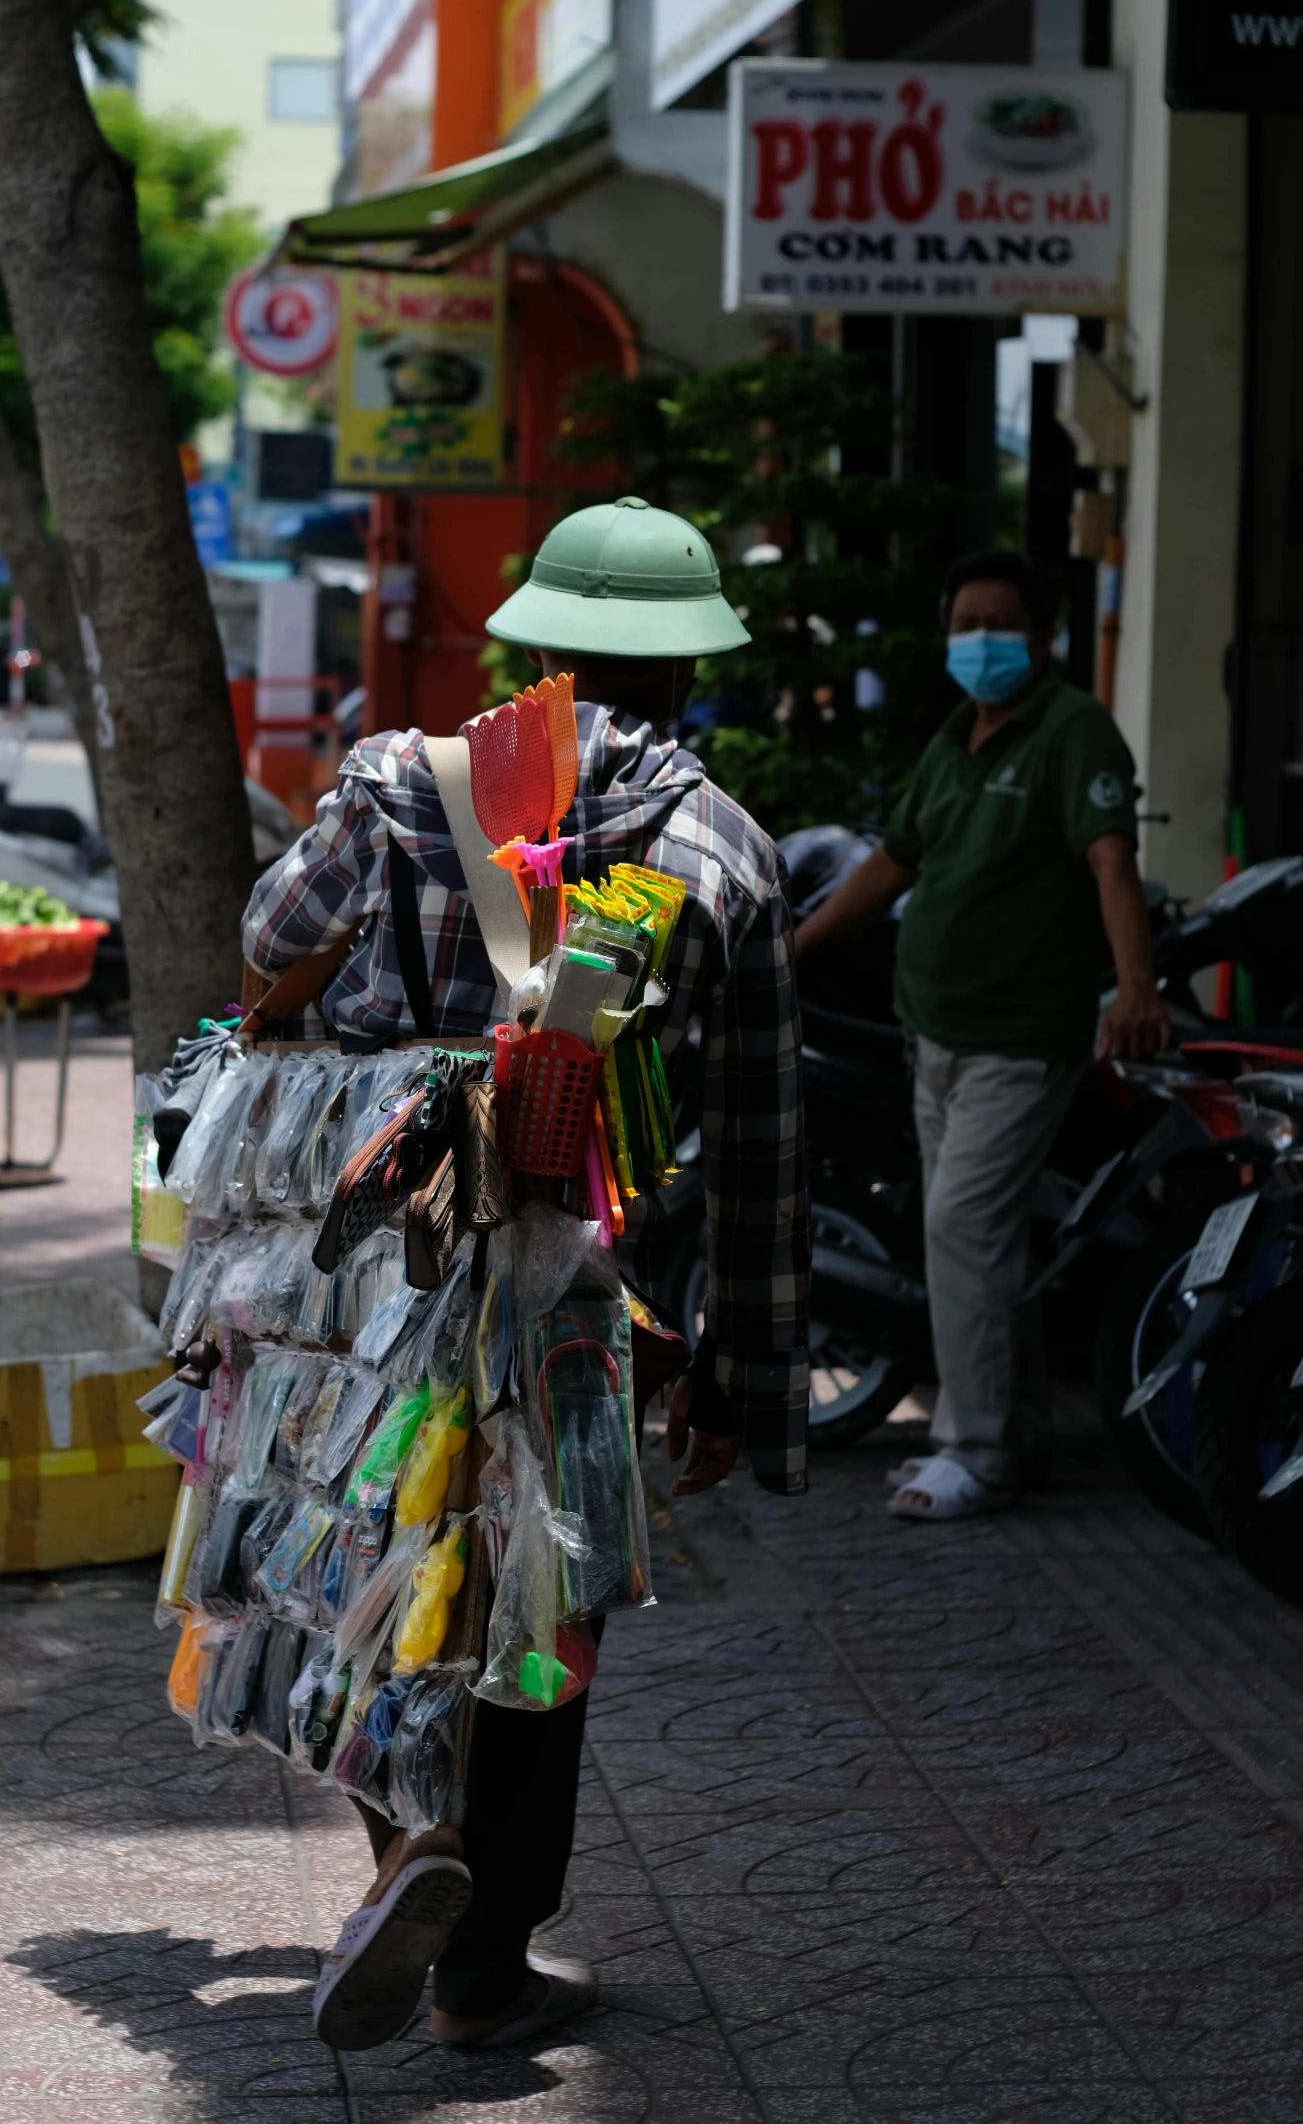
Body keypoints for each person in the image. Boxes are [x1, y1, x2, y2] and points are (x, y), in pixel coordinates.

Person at [241, 495, 808, 2053]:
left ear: (533, 641)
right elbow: (762, 1147)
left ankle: (406, 1851)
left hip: (375, 1271)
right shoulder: (722, 848)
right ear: (690, 672)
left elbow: (264, 926)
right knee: (541, 1606)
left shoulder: (392, 784)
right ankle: (484, 1963)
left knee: (376, 1563)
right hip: (578, 1293)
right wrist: (750, 1384)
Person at [794, 550, 1169, 1523]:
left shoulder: (1074, 732)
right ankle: (1022, 1430)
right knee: (978, 1236)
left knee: (963, 1227)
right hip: (933, 1032)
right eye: (965, 623)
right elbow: (889, 863)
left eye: (1001, 623)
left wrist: (1136, 989)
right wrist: (791, 947)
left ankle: (976, 1445)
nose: (981, 641)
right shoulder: (956, 737)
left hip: (1021, 1035)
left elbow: (1112, 866)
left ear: (1042, 636)